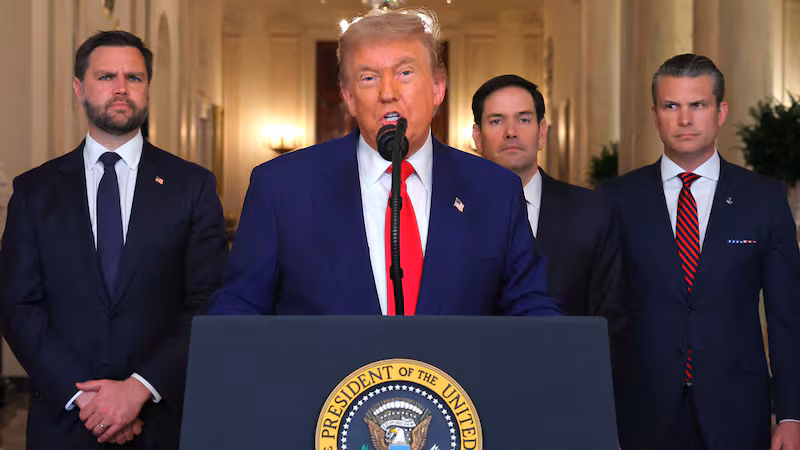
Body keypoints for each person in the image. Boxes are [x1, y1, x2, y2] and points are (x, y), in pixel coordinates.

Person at [209, 9, 559, 317]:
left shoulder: (494, 190)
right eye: (368, 78)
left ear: (438, 87)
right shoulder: (281, 187)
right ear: (348, 96)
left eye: (405, 73)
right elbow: (239, 306)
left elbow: (530, 307)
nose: (388, 92)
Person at [0, 30, 228, 449]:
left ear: (146, 88)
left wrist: (139, 389)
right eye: (106, 77)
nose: (121, 88)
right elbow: (18, 306)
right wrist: (87, 400)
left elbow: (208, 300)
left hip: (163, 420)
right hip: (64, 420)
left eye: (134, 78)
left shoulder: (191, 186)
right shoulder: (35, 191)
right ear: (78, 88)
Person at [598, 54, 800, 450]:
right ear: (655, 114)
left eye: (698, 105)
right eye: (671, 106)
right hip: (639, 412)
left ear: (720, 112)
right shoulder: (614, 200)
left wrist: (792, 414)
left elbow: (787, 317)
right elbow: (603, 312)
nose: (684, 119)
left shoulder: (763, 199)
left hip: (738, 410)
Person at [471, 74, 624, 331]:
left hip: (568, 367)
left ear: (542, 133)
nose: (511, 132)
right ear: (477, 136)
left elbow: (611, 321)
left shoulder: (592, 212)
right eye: (496, 121)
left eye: (524, 119)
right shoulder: (451, 212)